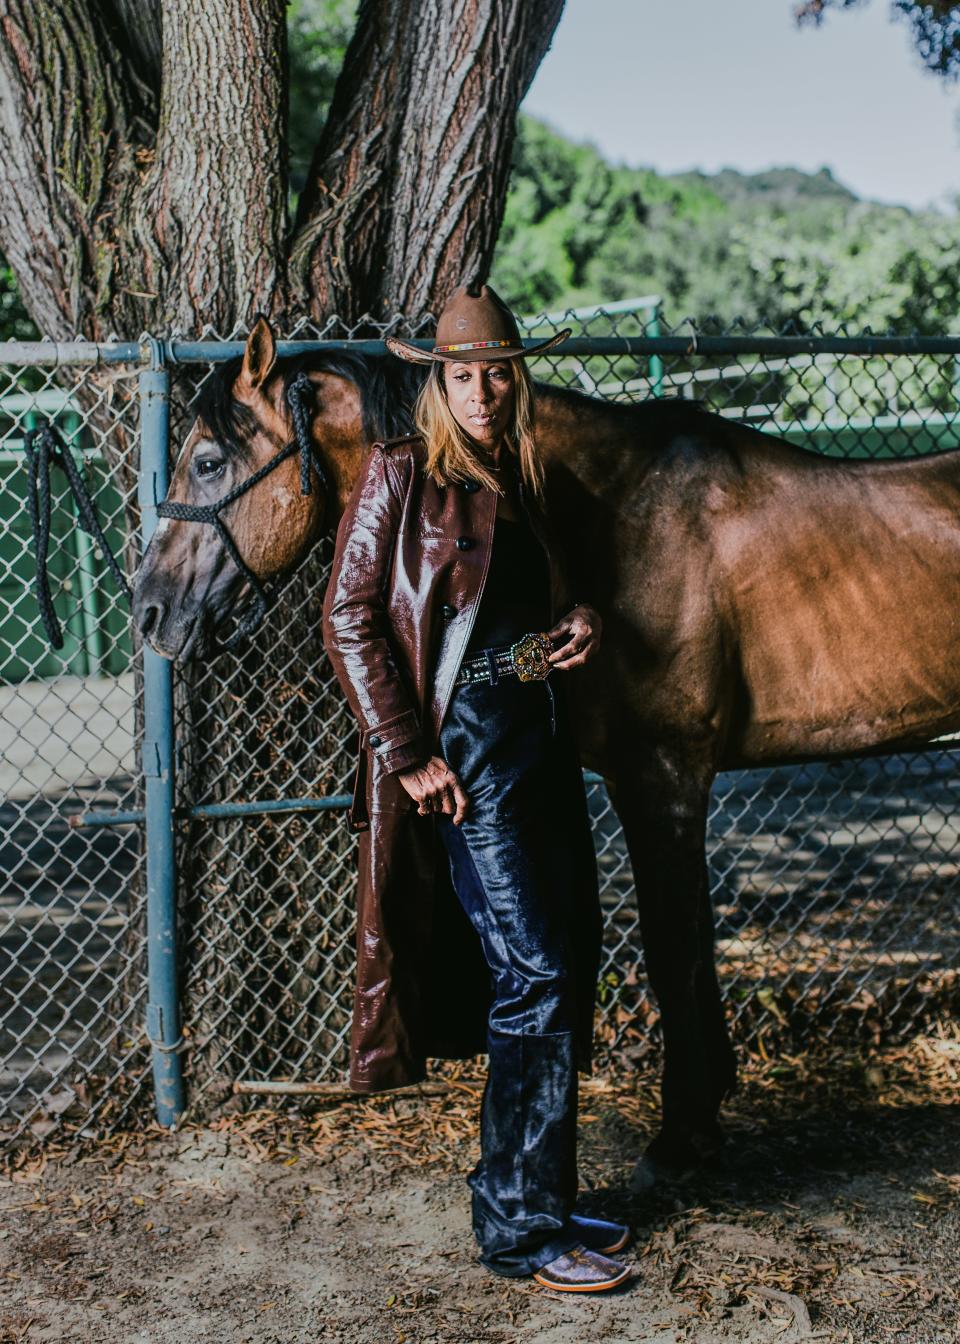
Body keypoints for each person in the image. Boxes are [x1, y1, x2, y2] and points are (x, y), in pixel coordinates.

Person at [322, 282, 630, 1292]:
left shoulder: (522, 477)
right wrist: (406, 753)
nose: (486, 392)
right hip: (468, 768)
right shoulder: (401, 475)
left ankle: (535, 1188)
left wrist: (569, 629)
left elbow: (505, 636)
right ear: (438, 385)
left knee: (558, 968)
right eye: (466, 376)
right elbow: (351, 616)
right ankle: (521, 1232)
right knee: (532, 974)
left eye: (499, 374)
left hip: (536, 745)